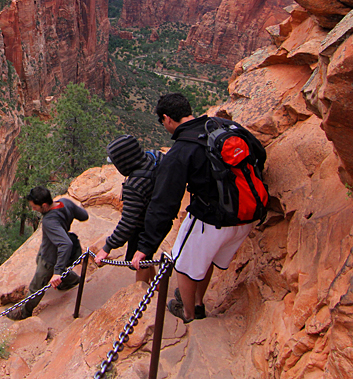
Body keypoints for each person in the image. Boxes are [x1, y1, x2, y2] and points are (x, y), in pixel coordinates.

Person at [130, 93, 262, 323]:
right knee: (206, 258)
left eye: (162, 123)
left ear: (167, 119)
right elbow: (260, 153)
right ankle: (198, 301)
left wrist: (145, 247)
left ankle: (189, 312)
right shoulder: (224, 125)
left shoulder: (181, 151)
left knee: (182, 265)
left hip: (212, 220)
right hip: (246, 215)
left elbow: (163, 204)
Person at [7, 186, 89, 320]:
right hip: (51, 249)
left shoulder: (49, 220)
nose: (33, 210)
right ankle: (71, 280)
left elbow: (65, 243)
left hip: (50, 257)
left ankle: (24, 312)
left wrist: (57, 272)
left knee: (36, 286)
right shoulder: (65, 202)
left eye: (35, 207)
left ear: (44, 205)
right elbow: (84, 216)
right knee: (42, 263)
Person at [94, 135, 160, 283]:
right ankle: (155, 285)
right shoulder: (155, 157)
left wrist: (107, 247)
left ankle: (141, 294)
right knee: (147, 255)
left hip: (143, 225)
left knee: (140, 261)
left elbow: (128, 223)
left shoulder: (134, 185)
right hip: (157, 216)